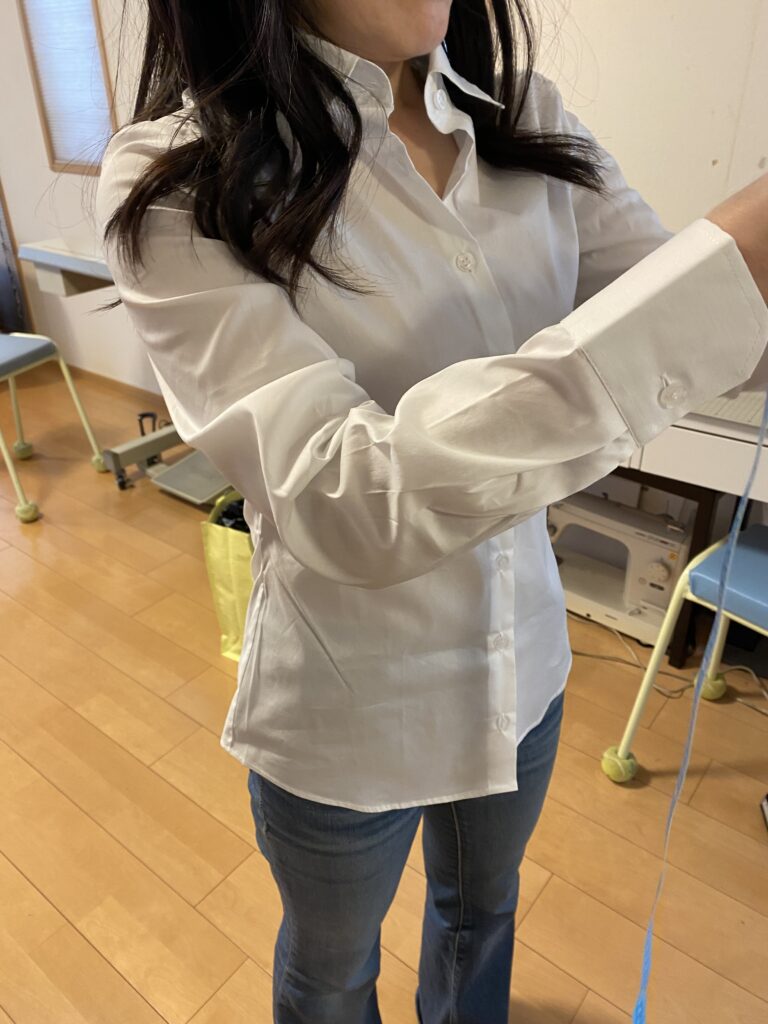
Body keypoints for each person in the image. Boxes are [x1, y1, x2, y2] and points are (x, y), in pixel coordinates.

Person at [94, 1, 768, 1021]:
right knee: (333, 972)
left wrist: (734, 289)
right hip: (346, 705)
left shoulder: (525, 117)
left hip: (523, 664)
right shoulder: (183, 175)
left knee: (482, 917)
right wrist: (718, 274)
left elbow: (701, 323)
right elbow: (341, 495)